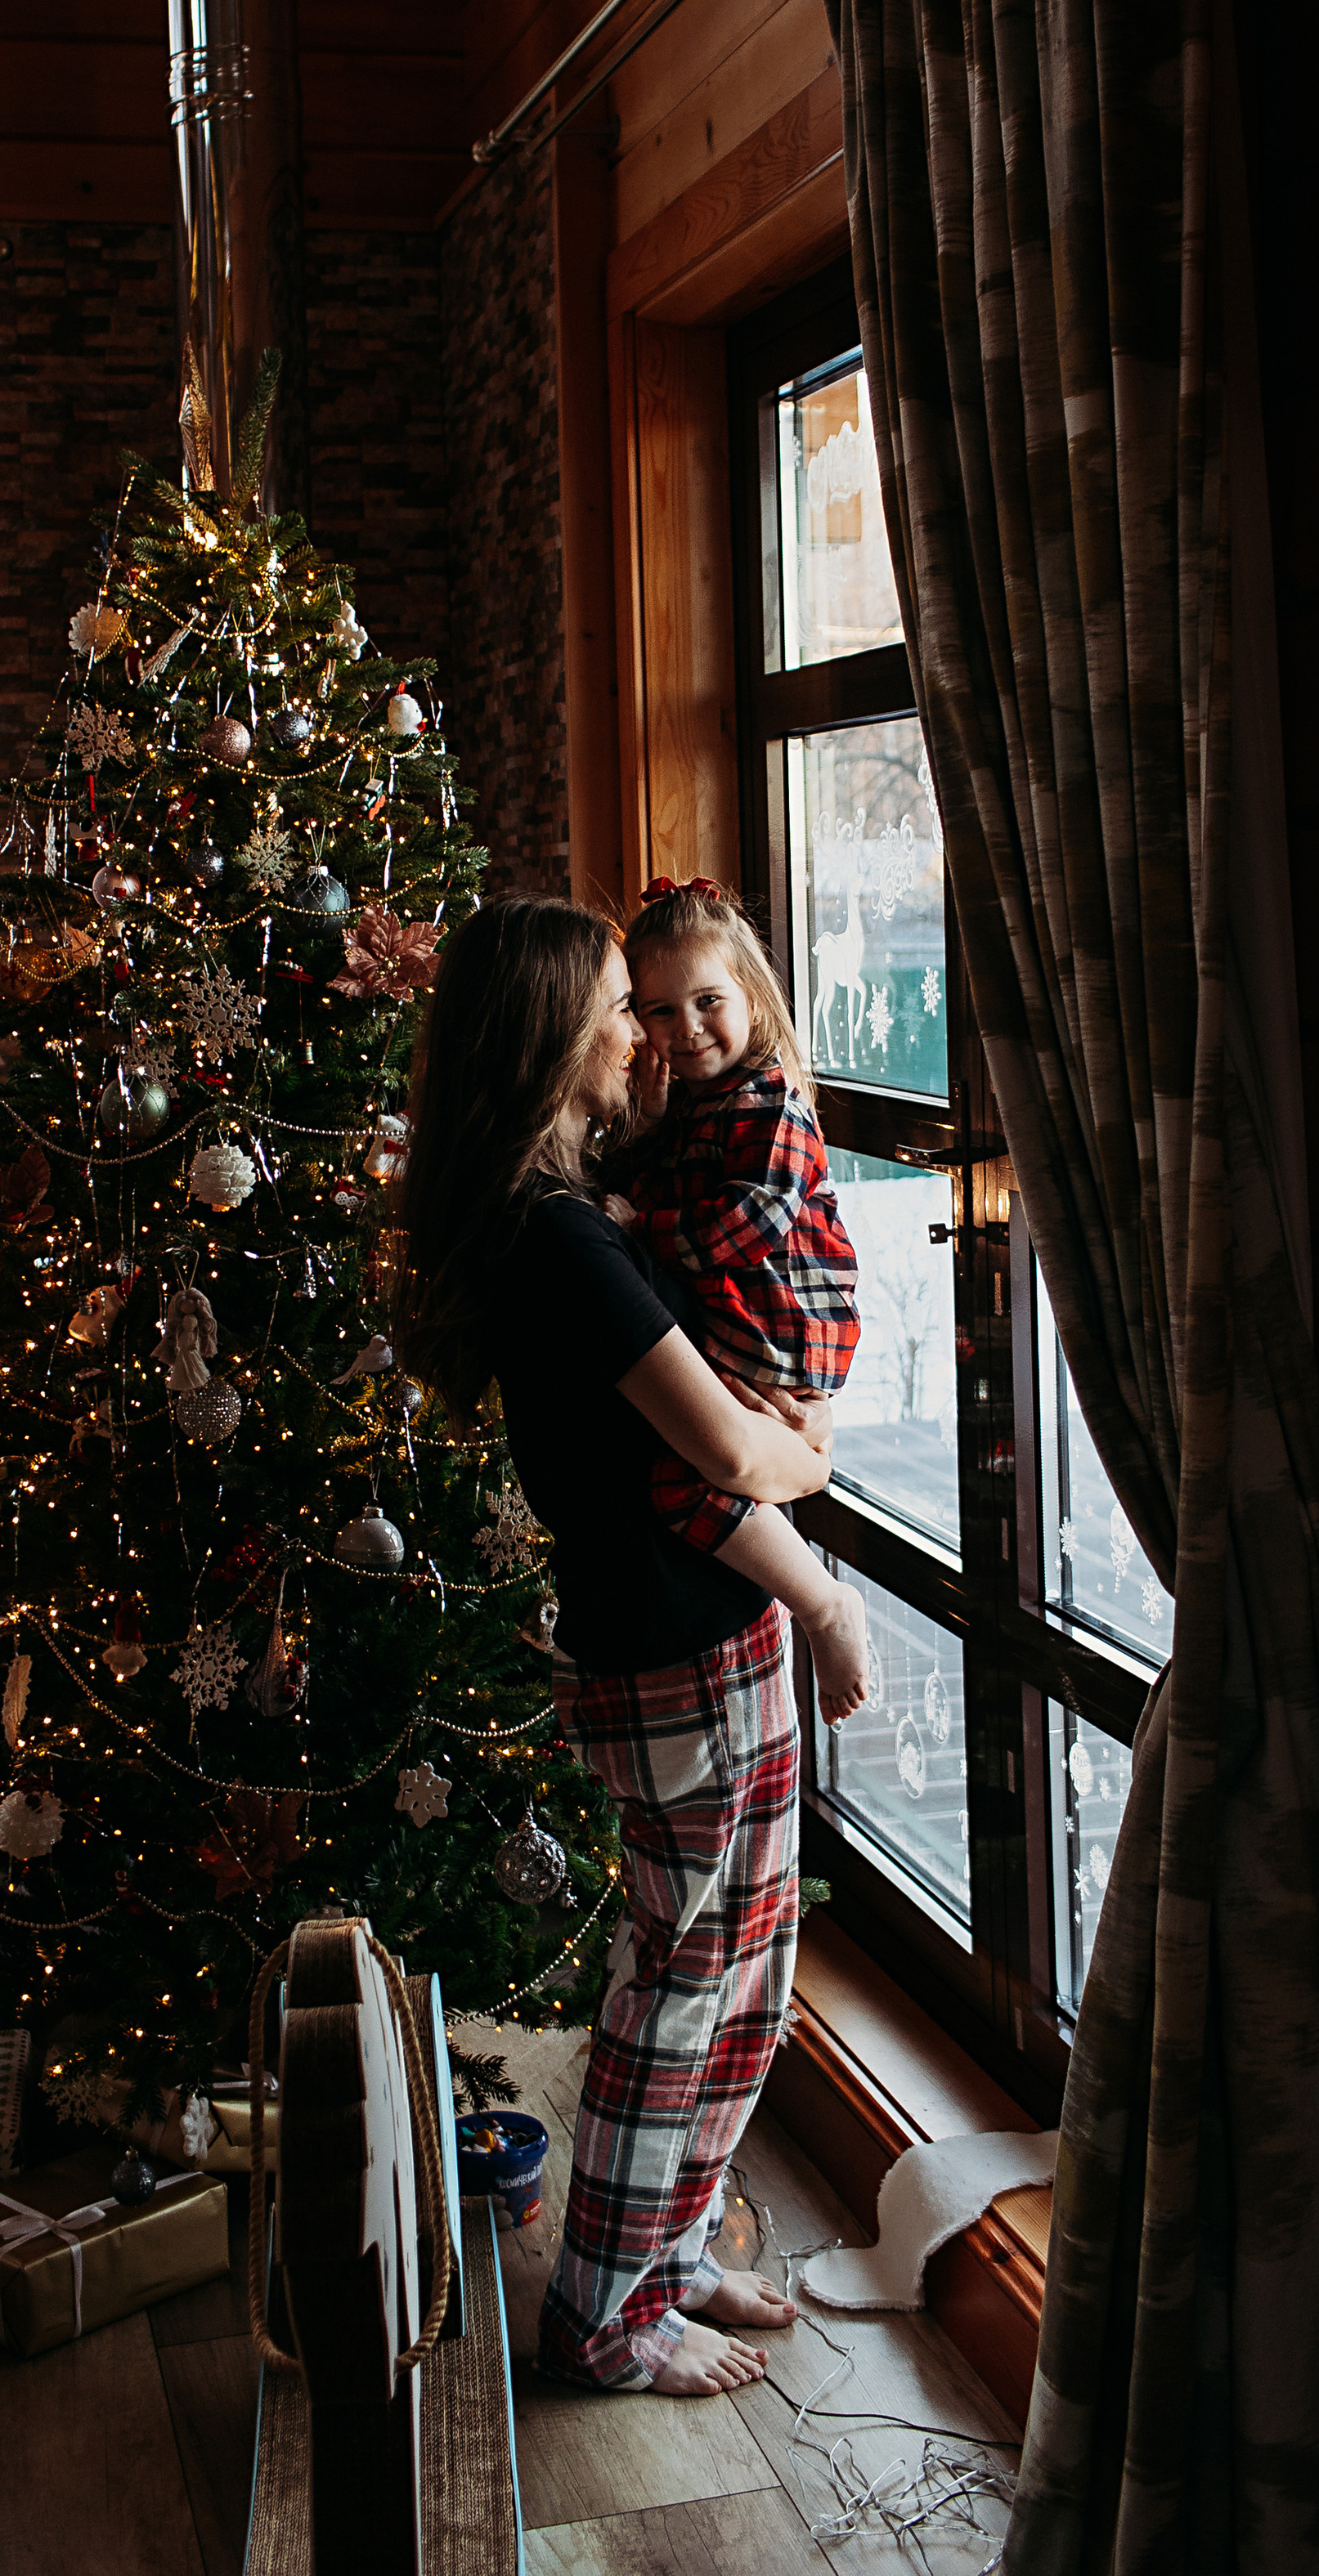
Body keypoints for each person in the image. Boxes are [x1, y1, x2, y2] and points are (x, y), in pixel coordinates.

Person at [397, 897, 871, 2399]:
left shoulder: (586, 1205)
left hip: (716, 1640)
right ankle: (601, 2315)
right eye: (618, 1007)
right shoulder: (562, 1248)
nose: (642, 1036)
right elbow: (727, 1447)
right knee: (677, 1993)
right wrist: (809, 1456)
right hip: (672, 1658)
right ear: (550, 1043)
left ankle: (661, 2254)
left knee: (745, 1972)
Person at [604, 874, 860, 1563]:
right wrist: (652, 1122)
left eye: (708, 1000)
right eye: (660, 1011)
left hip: (781, 1327)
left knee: (686, 1479)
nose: (686, 1029)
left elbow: (740, 1229)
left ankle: (815, 1595)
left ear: (750, 991)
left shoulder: (773, 1102)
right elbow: (645, 1183)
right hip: (737, 1318)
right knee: (680, 1458)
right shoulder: (695, 1101)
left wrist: (640, 1228)